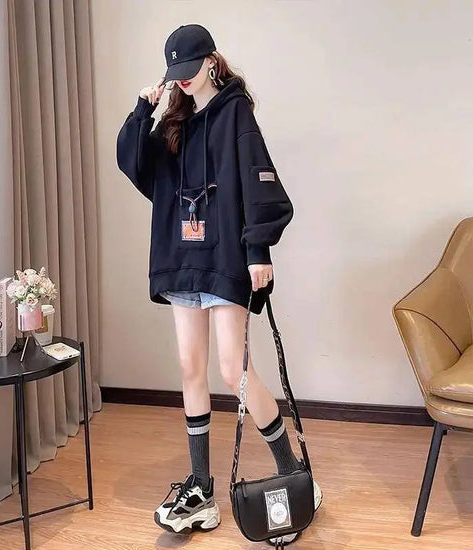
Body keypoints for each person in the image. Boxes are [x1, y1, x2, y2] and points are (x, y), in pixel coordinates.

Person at [116, 23, 321, 546]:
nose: (183, 81)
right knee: (190, 369)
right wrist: (143, 109)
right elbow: (135, 166)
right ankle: (202, 489)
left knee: (234, 370)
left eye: (190, 70)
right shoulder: (172, 122)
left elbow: (257, 180)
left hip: (225, 255)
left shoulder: (235, 113)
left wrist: (258, 250)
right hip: (182, 259)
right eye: (175, 74)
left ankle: (293, 473)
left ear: (211, 61)